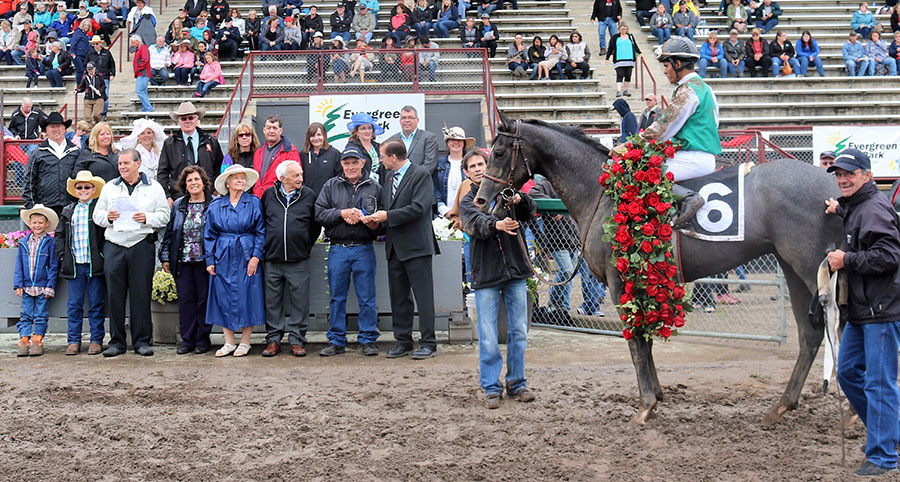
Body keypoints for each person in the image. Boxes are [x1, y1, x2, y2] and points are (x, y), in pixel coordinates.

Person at [825, 149, 900, 478]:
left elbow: (888, 255)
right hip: (864, 308)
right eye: (839, 174)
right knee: (848, 374)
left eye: (850, 174)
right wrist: (837, 207)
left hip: (880, 308)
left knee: (878, 383)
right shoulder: (858, 205)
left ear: (866, 176)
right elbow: (858, 222)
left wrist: (846, 261)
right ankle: (888, 432)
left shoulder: (873, 209)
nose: (842, 179)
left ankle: (884, 456)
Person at [459, 149, 536, 408]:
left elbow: (530, 210)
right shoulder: (468, 201)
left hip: (515, 269)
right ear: (467, 173)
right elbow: (473, 224)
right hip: (487, 273)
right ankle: (492, 387)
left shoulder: (506, 192)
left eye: (482, 163)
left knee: (519, 332)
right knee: (489, 334)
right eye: (473, 166)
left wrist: (519, 200)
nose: (479, 168)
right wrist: (496, 225)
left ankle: (517, 383)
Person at [634, 37, 721, 227]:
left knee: (642, 172)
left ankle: (690, 198)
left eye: (666, 65)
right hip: (704, 156)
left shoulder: (687, 90)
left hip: (693, 158)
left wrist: (633, 144)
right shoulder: (706, 88)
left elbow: (663, 128)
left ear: (678, 63)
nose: (665, 71)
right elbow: (715, 122)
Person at [362, 140, 437, 359]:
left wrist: (388, 216)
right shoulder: (389, 177)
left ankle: (428, 343)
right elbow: (388, 208)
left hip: (417, 247)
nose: (381, 161)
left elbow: (420, 208)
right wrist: (377, 222)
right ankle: (403, 341)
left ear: (393, 157)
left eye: (383, 157)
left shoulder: (421, 174)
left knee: (423, 298)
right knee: (399, 297)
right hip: (395, 247)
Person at [93, 149, 170, 357]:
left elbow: (165, 215)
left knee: (141, 294)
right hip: (115, 244)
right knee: (115, 296)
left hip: (141, 244)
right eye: (120, 164)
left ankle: (142, 341)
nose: (122, 167)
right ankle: (116, 342)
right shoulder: (109, 188)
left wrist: (146, 218)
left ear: (139, 163)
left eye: (126, 163)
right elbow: (96, 215)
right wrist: (107, 217)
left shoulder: (154, 187)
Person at [315, 145, 382, 356]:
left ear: (363, 163)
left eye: (355, 162)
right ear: (341, 164)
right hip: (338, 248)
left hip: (364, 248)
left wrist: (372, 224)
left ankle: (368, 339)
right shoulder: (330, 186)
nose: (351, 166)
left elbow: (384, 216)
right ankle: (336, 340)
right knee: (337, 297)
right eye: (347, 163)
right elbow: (319, 213)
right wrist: (343, 213)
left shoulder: (374, 187)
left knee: (367, 298)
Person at [205, 165, 265, 358]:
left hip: (246, 252)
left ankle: (245, 342)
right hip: (223, 253)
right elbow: (209, 234)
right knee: (223, 295)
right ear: (228, 183)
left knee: (249, 293)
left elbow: (261, 231)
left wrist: (256, 257)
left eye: (243, 178)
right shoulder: (215, 206)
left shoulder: (254, 202)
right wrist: (210, 259)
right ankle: (229, 341)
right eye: (236, 178)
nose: (241, 181)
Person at [259, 160, 316, 357]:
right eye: (295, 176)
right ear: (283, 178)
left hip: (298, 259)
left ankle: (297, 340)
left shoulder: (309, 195)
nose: (300, 178)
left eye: (301, 175)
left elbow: (314, 226)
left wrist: (304, 244)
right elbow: (263, 223)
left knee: (300, 302)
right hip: (273, 259)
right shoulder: (269, 195)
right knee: (272, 302)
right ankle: (273, 340)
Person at [57, 170, 106, 356]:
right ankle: (74, 340)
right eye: (80, 187)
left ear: (94, 189)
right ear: (75, 190)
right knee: (74, 305)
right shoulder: (69, 211)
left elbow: (103, 236)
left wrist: (102, 255)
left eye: (87, 187)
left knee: (96, 303)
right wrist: (63, 256)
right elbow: (60, 235)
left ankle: (96, 340)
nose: (83, 189)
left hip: (94, 264)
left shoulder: (98, 210)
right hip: (75, 265)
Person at [13, 204, 58, 357]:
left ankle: (37, 340)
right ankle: (24, 339)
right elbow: (19, 264)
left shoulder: (50, 243)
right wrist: (18, 284)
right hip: (26, 286)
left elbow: (53, 266)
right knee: (25, 314)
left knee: (40, 315)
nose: (37, 225)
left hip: (42, 286)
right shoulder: (24, 242)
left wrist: (50, 285)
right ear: (29, 223)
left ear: (47, 224)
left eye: (40, 222)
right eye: (34, 222)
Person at [158, 102, 224, 202]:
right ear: (178, 121)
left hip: (207, 195)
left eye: (191, 118)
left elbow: (219, 166)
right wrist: (167, 196)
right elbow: (162, 172)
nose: (187, 121)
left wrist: (215, 188)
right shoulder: (170, 144)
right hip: (179, 196)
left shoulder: (210, 140)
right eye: (183, 119)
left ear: (197, 119)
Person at [23, 112, 81, 214]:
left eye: (58, 126)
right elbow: (29, 180)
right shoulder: (37, 153)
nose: (56, 130)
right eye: (52, 127)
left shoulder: (75, 152)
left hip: (71, 205)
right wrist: (31, 207)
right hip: (45, 206)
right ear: (46, 130)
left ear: (64, 129)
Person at [252, 114, 302, 197]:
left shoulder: (290, 152)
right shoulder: (258, 151)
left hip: (277, 200)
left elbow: (295, 179)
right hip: (258, 198)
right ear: (264, 130)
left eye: (274, 128)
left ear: (280, 130)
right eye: (268, 128)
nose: (271, 131)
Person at [434, 126, 473, 218]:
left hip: (468, 215)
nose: (456, 142)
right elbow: (435, 189)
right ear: (447, 143)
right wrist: (445, 210)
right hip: (443, 216)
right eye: (452, 140)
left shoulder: (471, 164)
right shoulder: (439, 164)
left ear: (464, 143)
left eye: (459, 140)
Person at [299, 122, 341, 198]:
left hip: (328, 198)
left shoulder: (334, 154)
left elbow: (339, 177)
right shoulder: (303, 155)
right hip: (307, 198)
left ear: (324, 136)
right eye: (312, 135)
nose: (316, 138)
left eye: (319, 135)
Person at [345, 112, 383, 182]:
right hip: (361, 186)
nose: (367, 131)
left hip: (379, 187)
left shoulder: (379, 147)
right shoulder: (351, 148)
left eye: (369, 128)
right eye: (363, 128)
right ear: (356, 132)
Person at [606, 23, 640, 97]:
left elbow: (635, 45)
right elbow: (611, 48)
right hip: (619, 59)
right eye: (622, 29)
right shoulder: (615, 37)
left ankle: (625, 90)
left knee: (628, 75)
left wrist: (639, 53)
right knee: (620, 74)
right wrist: (607, 57)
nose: (623, 30)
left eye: (625, 29)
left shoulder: (630, 36)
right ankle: (618, 90)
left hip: (629, 59)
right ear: (619, 29)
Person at [86, 36, 115, 118]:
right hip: (93, 77)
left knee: (104, 95)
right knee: (94, 95)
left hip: (105, 76)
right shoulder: (90, 53)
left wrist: (112, 74)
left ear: (100, 43)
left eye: (96, 44)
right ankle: (97, 113)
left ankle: (103, 113)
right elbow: (85, 65)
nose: (95, 45)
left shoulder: (107, 52)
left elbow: (112, 64)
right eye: (94, 44)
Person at [130, 35, 152, 112]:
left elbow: (145, 60)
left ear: (137, 41)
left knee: (139, 91)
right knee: (143, 91)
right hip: (141, 73)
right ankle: (145, 109)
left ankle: (148, 107)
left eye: (133, 43)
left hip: (143, 73)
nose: (132, 45)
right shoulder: (140, 48)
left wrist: (139, 69)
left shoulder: (143, 48)